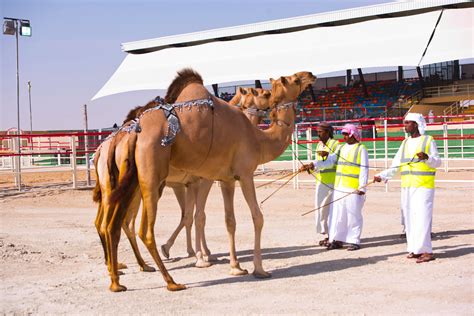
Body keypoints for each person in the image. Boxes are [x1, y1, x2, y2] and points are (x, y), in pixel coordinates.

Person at [374, 113, 441, 263]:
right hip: (407, 186)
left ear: (416, 124)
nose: (405, 125)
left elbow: (437, 162)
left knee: (422, 218)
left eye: (407, 123)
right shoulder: (405, 143)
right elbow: (396, 165)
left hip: (423, 186)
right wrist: (382, 176)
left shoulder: (428, 140)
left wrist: (427, 158)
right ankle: (415, 249)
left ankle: (426, 251)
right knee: (410, 219)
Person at [301, 123, 369, 251]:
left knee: (353, 215)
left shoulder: (361, 149)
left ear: (353, 134)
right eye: (343, 134)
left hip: (353, 189)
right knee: (337, 215)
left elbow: (364, 170)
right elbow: (330, 160)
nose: (344, 137)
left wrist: (362, 187)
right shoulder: (341, 148)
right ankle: (336, 239)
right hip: (339, 187)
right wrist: (313, 165)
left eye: (346, 134)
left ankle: (354, 240)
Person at [308, 123, 340, 247]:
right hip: (321, 181)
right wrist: (311, 168)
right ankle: (328, 234)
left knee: (329, 209)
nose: (318, 134)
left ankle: (333, 236)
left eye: (320, 131)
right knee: (320, 209)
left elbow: (330, 162)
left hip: (332, 182)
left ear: (327, 132)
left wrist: (314, 165)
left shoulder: (336, 145)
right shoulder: (319, 145)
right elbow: (318, 163)